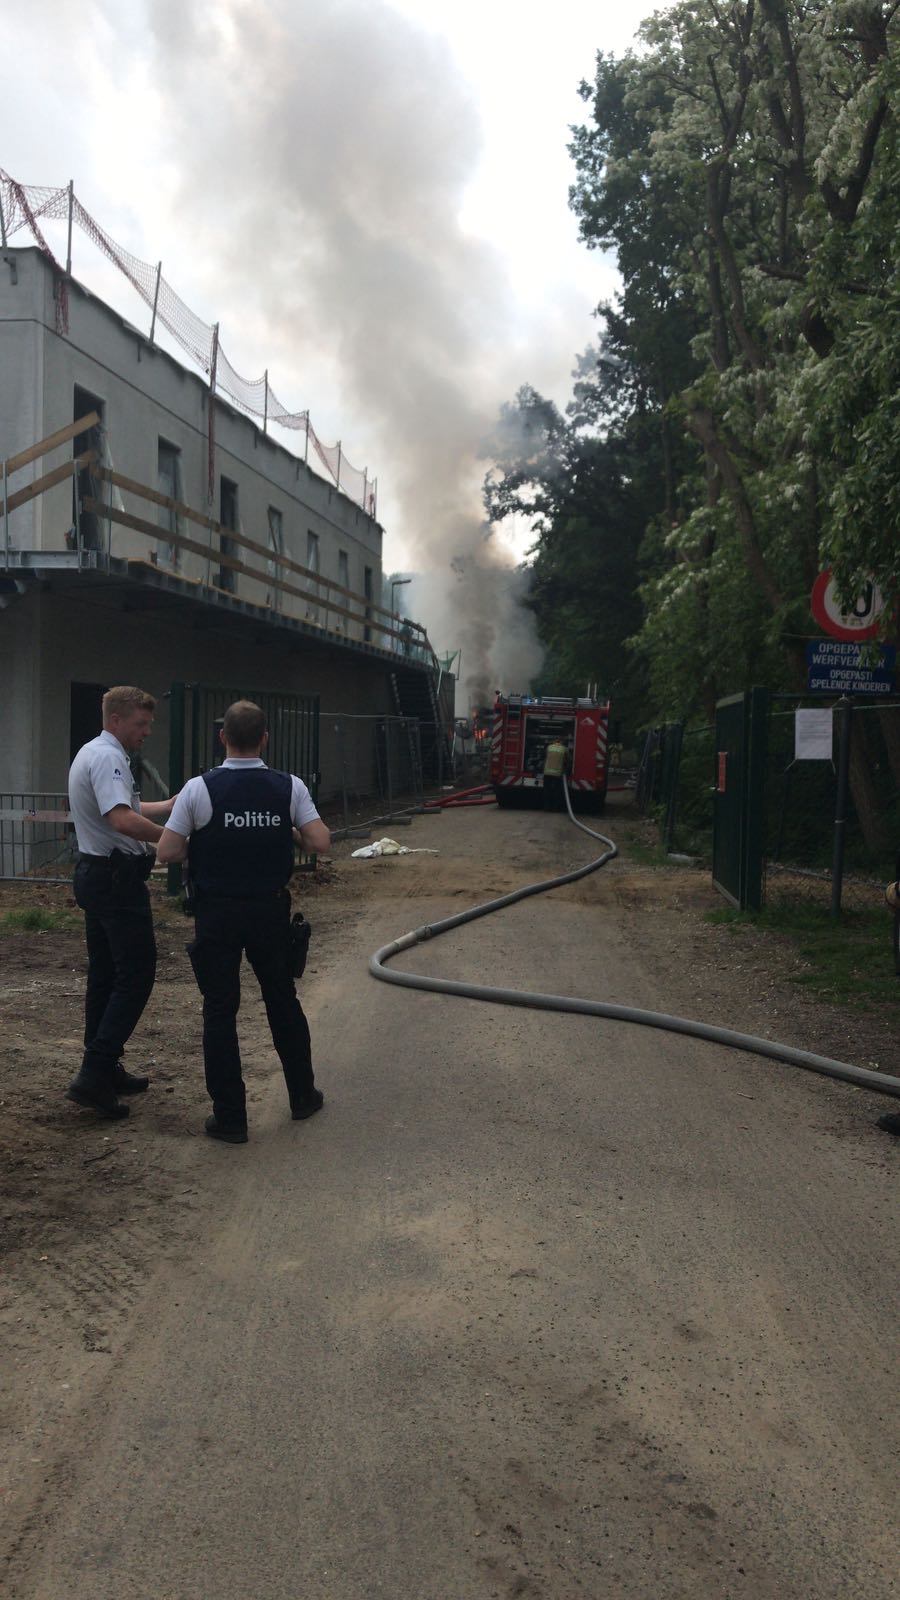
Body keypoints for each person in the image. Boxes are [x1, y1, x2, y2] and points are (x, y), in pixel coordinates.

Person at [156, 699, 331, 1145]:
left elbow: (168, 851)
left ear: (223, 738)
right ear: (265, 739)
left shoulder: (198, 789)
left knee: (220, 1009)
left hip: (217, 914)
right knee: (281, 1000)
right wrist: (283, 831)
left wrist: (211, 844)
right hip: (268, 912)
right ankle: (302, 1096)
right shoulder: (287, 786)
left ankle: (230, 1117)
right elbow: (319, 842)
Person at [66, 685, 175, 1119]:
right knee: (136, 974)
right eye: (141, 724)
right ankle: (93, 1074)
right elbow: (121, 819)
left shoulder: (94, 752)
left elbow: (128, 805)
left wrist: (171, 805)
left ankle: (103, 1066)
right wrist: (174, 838)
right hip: (116, 882)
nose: (146, 732)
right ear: (117, 720)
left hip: (97, 874)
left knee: (107, 976)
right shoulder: (110, 757)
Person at [542, 736, 569, 812]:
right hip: (557, 774)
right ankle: (555, 808)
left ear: (554, 742)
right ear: (561, 742)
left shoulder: (549, 747)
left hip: (547, 772)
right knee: (557, 791)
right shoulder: (564, 749)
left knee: (547, 791)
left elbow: (544, 756)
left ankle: (546, 807)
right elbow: (568, 760)